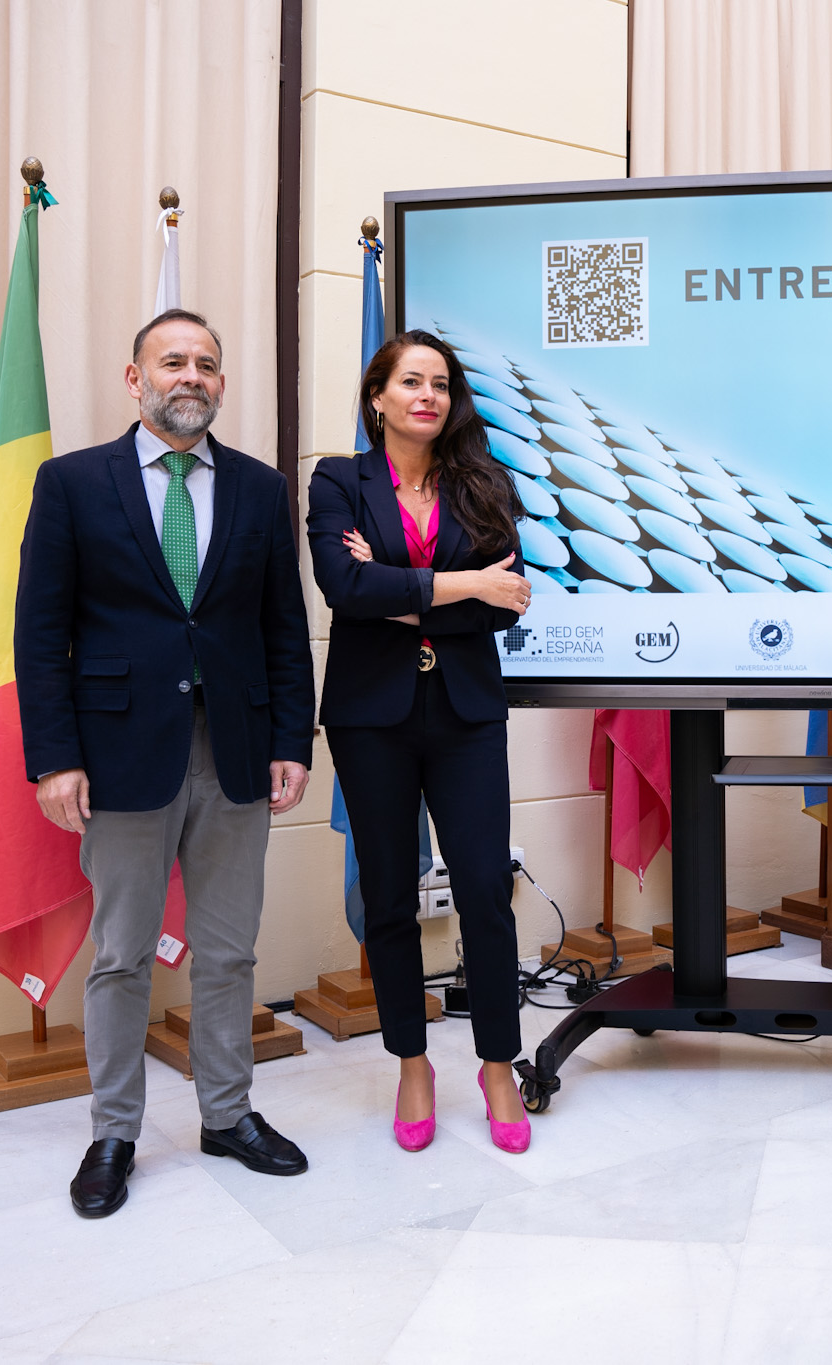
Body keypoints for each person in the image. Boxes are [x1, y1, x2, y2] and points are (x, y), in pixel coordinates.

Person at [16, 308, 317, 1218]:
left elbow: (284, 628)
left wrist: (291, 740)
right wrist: (55, 758)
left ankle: (228, 1114)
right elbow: (40, 634)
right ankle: (114, 1131)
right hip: (119, 756)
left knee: (228, 950)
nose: (192, 376)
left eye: (208, 364)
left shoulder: (262, 489)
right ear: (135, 378)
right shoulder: (72, 483)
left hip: (236, 752)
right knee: (121, 956)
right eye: (173, 361)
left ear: (221, 383)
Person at [307, 329, 533, 1154]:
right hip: (372, 716)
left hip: (466, 713)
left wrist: (398, 590)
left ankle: (498, 1065)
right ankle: (412, 1062)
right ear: (378, 397)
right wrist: (465, 583)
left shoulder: (484, 483)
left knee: (484, 888)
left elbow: (510, 600)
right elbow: (343, 586)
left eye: (440, 383)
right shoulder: (338, 480)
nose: (427, 395)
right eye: (410, 381)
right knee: (389, 896)